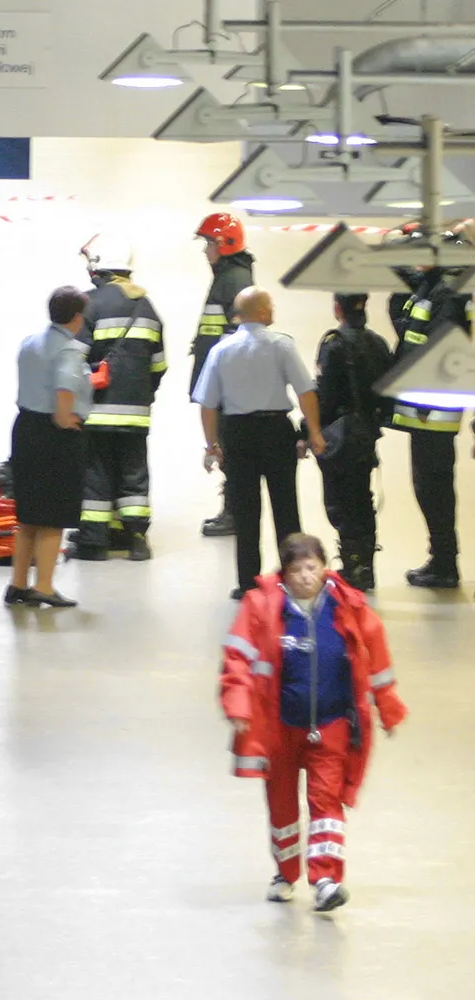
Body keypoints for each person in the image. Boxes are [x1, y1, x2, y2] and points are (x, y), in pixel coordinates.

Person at [221, 533, 407, 912]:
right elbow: (237, 660)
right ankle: (285, 872)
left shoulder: (349, 607)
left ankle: (326, 879)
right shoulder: (260, 608)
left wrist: (388, 708)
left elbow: (378, 662)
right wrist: (239, 707)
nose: (306, 576)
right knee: (283, 806)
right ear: (283, 573)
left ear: (325, 567)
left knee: (327, 802)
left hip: (333, 724)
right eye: (296, 569)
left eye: (312, 567)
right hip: (280, 729)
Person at [194, 287, 326, 599]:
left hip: (238, 433)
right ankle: (293, 577)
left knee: (245, 511)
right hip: (276, 430)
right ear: (264, 312)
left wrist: (212, 444)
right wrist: (315, 432)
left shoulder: (221, 350)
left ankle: (248, 583)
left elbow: (208, 404)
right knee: (286, 508)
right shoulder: (281, 345)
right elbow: (305, 391)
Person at [385, 229, 472, 589]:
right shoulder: (436, 284)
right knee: (429, 483)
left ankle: (444, 563)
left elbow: (437, 352)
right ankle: (441, 558)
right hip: (426, 405)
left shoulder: (448, 295)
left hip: (432, 408)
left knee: (433, 486)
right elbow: (408, 279)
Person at [72, 234, 166, 562]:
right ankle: (136, 539)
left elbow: (75, 359)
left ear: (97, 266)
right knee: (133, 472)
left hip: (97, 411)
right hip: (136, 412)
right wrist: (142, 395)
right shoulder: (147, 306)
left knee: (96, 474)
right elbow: (159, 364)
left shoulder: (88, 304)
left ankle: (94, 542)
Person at [4, 286, 93, 609]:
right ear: (77, 317)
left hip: (26, 428)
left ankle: (17, 584)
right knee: (54, 514)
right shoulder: (69, 351)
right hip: (54, 437)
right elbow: (64, 386)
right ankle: (43, 585)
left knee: (28, 515)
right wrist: (65, 416)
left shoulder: (31, 342)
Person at [312, 293, 394, 590]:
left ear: (337, 309)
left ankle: (352, 568)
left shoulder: (333, 344)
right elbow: (388, 394)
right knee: (362, 499)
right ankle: (365, 567)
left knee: (341, 502)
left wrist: (309, 431)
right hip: (366, 434)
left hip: (340, 436)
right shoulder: (378, 343)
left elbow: (325, 397)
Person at [190, 212, 256, 538]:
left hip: (228, 383)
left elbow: (237, 337)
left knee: (231, 449)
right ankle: (233, 511)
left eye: (207, 244)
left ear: (222, 244)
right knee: (227, 446)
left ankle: (234, 513)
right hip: (224, 380)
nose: (205, 252)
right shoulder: (230, 277)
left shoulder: (234, 281)